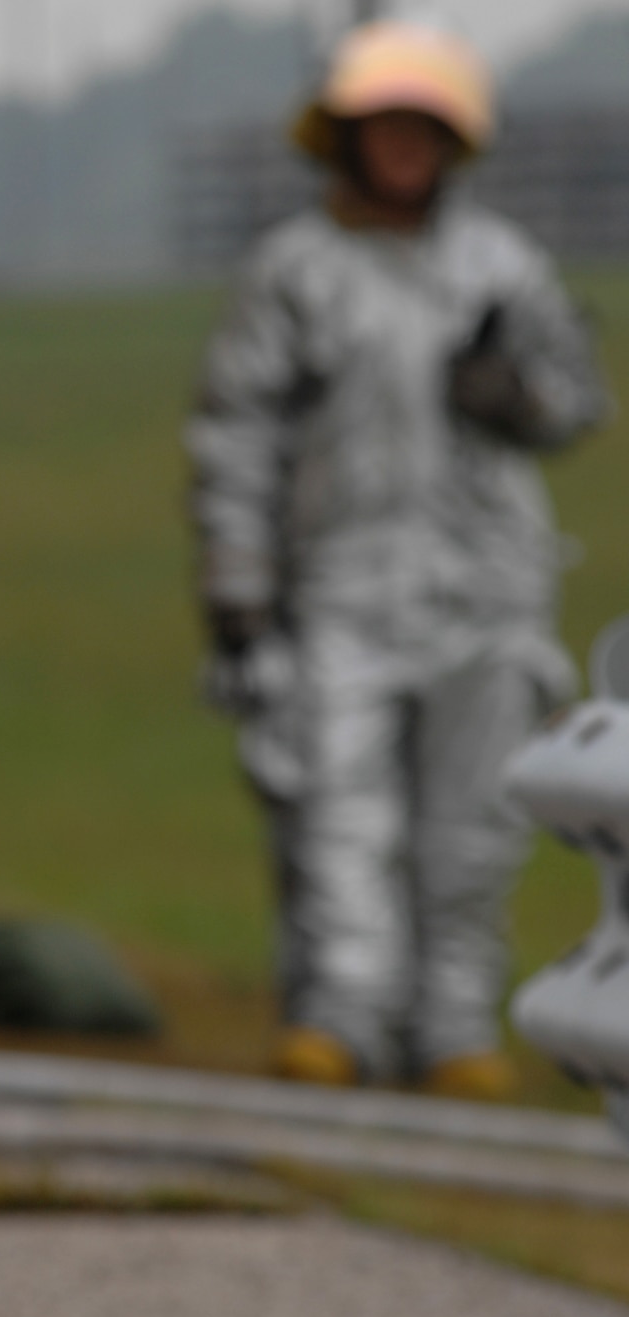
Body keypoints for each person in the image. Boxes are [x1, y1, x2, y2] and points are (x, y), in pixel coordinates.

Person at [188, 20, 609, 1098]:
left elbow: (573, 400)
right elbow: (234, 433)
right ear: (344, 137)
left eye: (425, 128)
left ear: (452, 141)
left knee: (472, 830)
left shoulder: (500, 263)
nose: (405, 147)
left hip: (488, 593)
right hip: (336, 589)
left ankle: (454, 1030)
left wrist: (514, 396)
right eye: (386, 127)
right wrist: (237, 587)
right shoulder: (293, 271)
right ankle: (337, 1021)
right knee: (336, 816)